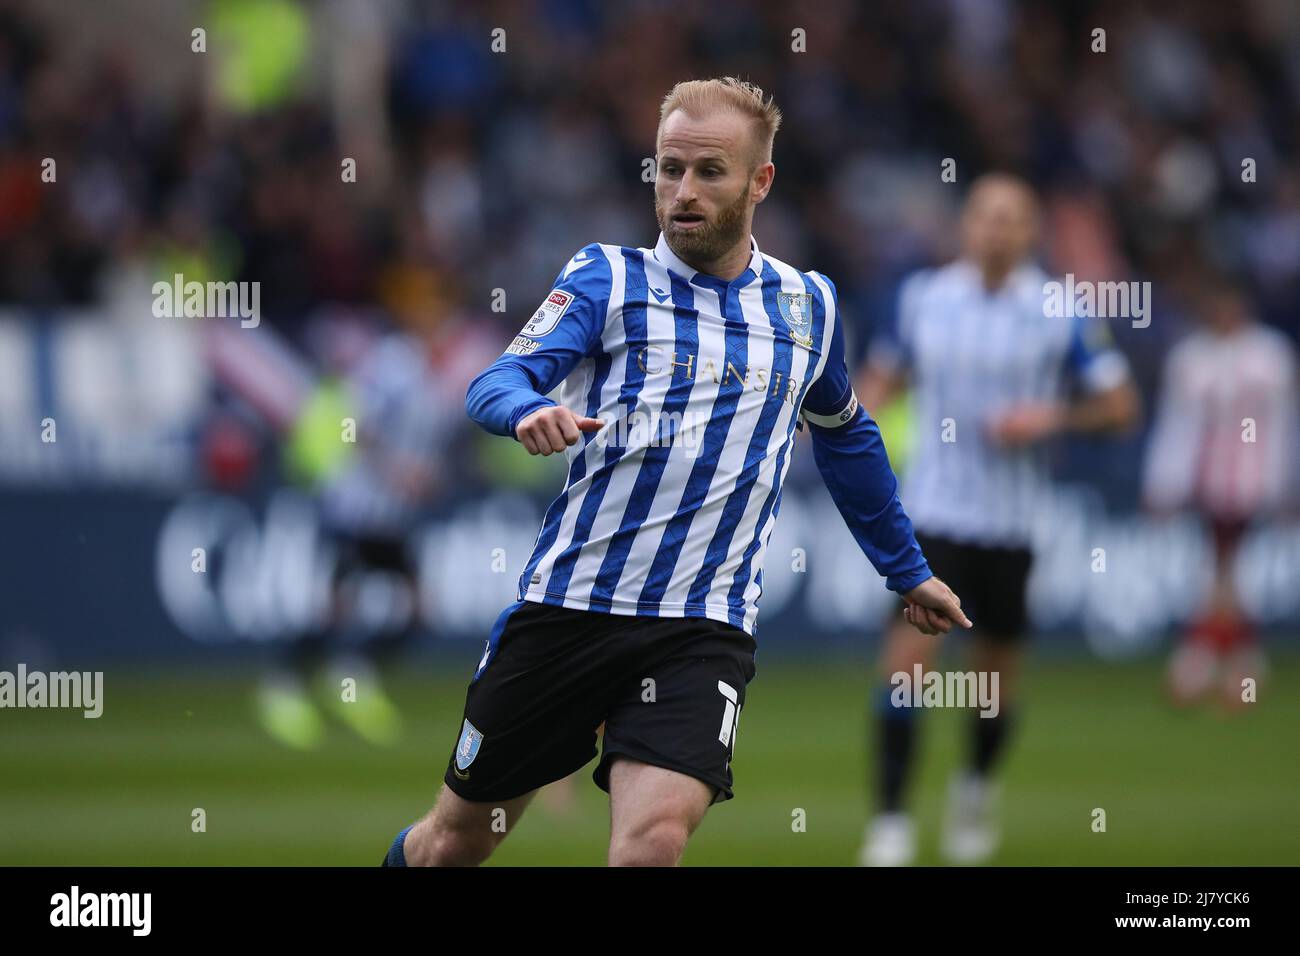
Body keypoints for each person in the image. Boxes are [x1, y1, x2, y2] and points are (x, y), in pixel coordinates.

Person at [382, 77, 968, 868]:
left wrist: (907, 572)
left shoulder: (809, 307)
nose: (682, 193)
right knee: (451, 846)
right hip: (570, 611)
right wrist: (525, 410)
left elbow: (846, 436)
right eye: (668, 169)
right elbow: (496, 381)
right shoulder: (607, 279)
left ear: (760, 182)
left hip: (702, 628)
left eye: (708, 172)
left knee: (650, 845)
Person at [856, 174, 1139, 866]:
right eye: (985, 217)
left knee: (993, 683)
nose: (996, 230)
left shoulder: (1061, 309)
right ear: (966, 226)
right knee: (905, 669)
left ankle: (975, 786)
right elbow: (876, 385)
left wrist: (1052, 417)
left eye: (1012, 219)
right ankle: (891, 823)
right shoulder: (923, 299)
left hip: (1012, 527)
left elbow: (1121, 404)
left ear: (1030, 232)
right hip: (932, 519)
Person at [1143, 276, 1297, 710]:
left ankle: (1201, 664)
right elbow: (1177, 425)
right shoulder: (1191, 358)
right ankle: (1235, 669)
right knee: (1222, 573)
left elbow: (1284, 425)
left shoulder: (1270, 357)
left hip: (1253, 485)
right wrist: (1164, 483)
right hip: (1205, 485)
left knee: (1228, 573)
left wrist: (1282, 483)